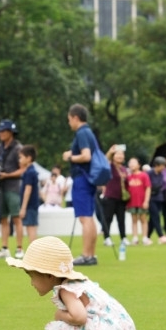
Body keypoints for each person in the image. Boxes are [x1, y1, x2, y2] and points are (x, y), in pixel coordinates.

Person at [5, 237, 142, 330]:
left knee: (62, 325)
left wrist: (60, 315)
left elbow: (79, 317)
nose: (31, 283)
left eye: (32, 276)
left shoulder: (66, 290)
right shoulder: (78, 283)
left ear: (50, 275)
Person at [62, 104, 101, 266]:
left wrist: (70, 157)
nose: (69, 123)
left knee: (84, 218)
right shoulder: (89, 132)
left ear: (76, 118)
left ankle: (85, 255)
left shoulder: (82, 133)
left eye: (69, 119)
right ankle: (91, 254)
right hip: (89, 179)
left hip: (82, 179)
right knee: (89, 217)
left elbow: (86, 156)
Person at [0, 119, 25, 260]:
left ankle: (19, 248)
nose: (0, 133)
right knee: (3, 218)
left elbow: (23, 169)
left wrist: (8, 175)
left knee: (16, 218)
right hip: (1, 187)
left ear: (10, 132)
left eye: (3, 131)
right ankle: (4, 247)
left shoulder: (18, 148)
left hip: (13, 186)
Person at [100, 145, 129, 247]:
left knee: (121, 219)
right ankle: (107, 238)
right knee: (108, 218)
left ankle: (123, 237)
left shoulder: (124, 169)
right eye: (118, 154)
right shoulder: (110, 166)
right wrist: (110, 151)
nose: (120, 156)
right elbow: (104, 160)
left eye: (122, 154)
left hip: (121, 198)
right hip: (110, 196)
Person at [18, 145, 41, 248]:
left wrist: (23, 207)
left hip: (30, 206)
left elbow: (28, 190)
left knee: (30, 229)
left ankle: (34, 253)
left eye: (21, 157)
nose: (20, 160)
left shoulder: (29, 172)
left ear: (29, 158)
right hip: (33, 205)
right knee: (31, 228)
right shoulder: (31, 171)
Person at [125, 157, 151, 245]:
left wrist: (146, 201)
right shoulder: (128, 177)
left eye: (134, 162)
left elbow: (148, 188)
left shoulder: (144, 175)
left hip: (141, 201)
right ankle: (135, 237)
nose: (131, 164)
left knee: (143, 219)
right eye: (130, 162)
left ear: (139, 165)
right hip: (131, 202)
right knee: (134, 219)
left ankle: (144, 237)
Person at [146, 157, 166, 244]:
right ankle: (161, 235)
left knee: (153, 218)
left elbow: (161, 184)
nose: (163, 168)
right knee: (155, 216)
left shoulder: (161, 174)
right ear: (156, 165)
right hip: (151, 198)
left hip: (159, 197)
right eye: (162, 166)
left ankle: (147, 236)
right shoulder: (149, 173)